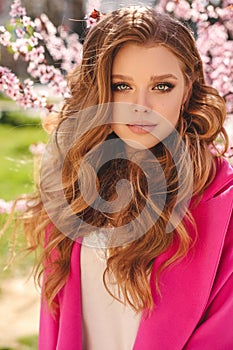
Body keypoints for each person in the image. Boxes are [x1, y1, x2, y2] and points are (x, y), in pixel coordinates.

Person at [22, 6, 233, 349]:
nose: (141, 105)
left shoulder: (222, 204)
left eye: (162, 86)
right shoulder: (75, 185)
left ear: (188, 89)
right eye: (122, 85)